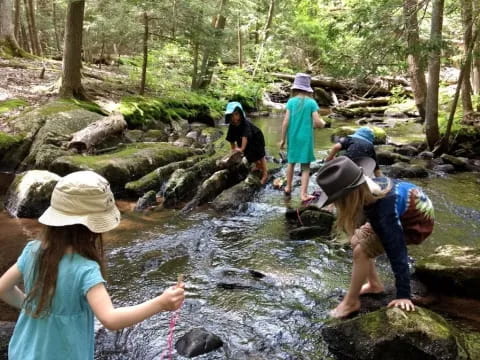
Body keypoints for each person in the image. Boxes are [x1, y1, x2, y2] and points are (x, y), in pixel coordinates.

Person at [0, 171, 185, 360]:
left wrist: (32, 306)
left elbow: (3, 288)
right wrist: (160, 303)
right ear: (93, 228)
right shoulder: (85, 270)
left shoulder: (33, 250)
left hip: (22, 352)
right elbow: (110, 319)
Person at [314, 156, 434, 318]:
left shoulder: (384, 214)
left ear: (350, 197)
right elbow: (371, 216)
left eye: (338, 201)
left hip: (414, 225)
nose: (336, 206)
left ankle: (351, 302)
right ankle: (374, 284)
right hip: (401, 212)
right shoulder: (371, 189)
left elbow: (398, 251)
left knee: (361, 252)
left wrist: (403, 294)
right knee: (356, 240)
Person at [280, 73, 325, 202]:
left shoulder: (291, 102)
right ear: (308, 89)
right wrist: (323, 123)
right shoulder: (311, 103)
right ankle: (303, 194)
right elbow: (317, 122)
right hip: (306, 139)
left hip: (292, 138)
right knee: (305, 167)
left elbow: (285, 121)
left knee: (291, 163)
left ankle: (288, 187)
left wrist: (282, 139)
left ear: (295, 88)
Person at [225, 101, 269, 184]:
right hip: (245, 140)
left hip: (256, 137)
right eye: (232, 115)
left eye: (236, 114)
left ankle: (265, 173)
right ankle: (258, 166)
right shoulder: (232, 125)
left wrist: (241, 148)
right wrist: (233, 149)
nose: (234, 117)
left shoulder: (245, 123)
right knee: (249, 154)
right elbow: (230, 138)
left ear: (241, 114)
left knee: (260, 155)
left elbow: (245, 136)